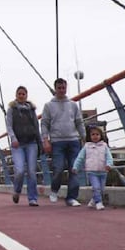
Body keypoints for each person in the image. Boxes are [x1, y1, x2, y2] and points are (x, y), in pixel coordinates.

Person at [41, 78, 86, 206]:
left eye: (63, 88)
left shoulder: (73, 104)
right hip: (57, 141)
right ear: (55, 89)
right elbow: (44, 124)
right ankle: (54, 189)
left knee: (74, 169)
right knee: (58, 168)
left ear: (66, 88)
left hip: (73, 140)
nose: (61, 90)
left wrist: (84, 137)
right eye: (59, 88)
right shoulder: (48, 106)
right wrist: (45, 140)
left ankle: (71, 197)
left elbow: (79, 122)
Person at [6, 86, 42, 206]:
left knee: (32, 171)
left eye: (23, 94)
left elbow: (37, 126)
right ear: (16, 95)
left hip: (31, 143)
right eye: (19, 94)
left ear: (26, 95)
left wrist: (40, 142)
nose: (21, 96)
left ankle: (32, 198)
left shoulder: (31, 109)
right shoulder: (12, 109)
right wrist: (13, 138)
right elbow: (9, 126)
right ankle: (17, 190)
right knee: (20, 170)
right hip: (18, 144)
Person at [72, 125, 113, 210]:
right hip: (91, 171)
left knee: (101, 189)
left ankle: (93, 200)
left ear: (101, 136)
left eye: (97, 134)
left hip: (103, 171)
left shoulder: (104, 146)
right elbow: (80, 157)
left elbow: (109, 157)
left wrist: (109, 164)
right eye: (93, 134)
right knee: (96, 187)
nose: (95, 136)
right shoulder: (87, 146)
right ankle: (98, 202)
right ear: (89, 136)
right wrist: (76, 166)